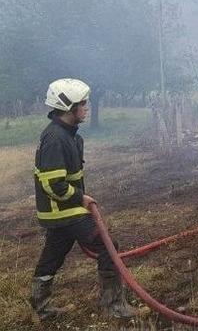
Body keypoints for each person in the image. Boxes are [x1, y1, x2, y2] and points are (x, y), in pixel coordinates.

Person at [30, 78, 137, 320]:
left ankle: (40, 305)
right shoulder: (55, 139)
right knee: (108, 246)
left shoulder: (70, 136)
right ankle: (114, 306)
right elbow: (52, 183)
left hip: (63, 210)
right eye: (83, 103)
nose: (87, 107)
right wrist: (81, 198)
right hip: (64, 210)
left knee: (53, 256)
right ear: (69, 107)